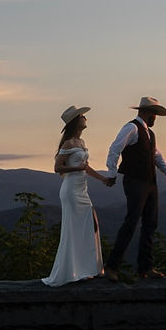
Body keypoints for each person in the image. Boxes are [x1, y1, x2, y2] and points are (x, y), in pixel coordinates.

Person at [103, 96, 166, 281]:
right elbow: (114, 149)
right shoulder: (131, 128)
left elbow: (157, 155)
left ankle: (145, 268)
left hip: (150, 182)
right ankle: (111, 267)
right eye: (154, 114)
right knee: (131, 222)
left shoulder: (150, 134)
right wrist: (112, 172)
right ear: (146, 112)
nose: (155, 118)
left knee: (150, 224)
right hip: (135, 181)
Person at [42, 105, 110, 287]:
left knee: (89, 225)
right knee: (74, 228)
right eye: (81, 116)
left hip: (82, 190)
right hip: (71, 190)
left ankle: (88, 269)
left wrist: (102, 178)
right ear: (75, 122)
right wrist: (76, 168)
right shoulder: (69, 144)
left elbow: (86, 167)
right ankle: (76, 271)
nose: (85, 118)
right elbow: (57, 167)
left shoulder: (81, 143)